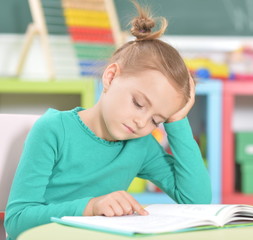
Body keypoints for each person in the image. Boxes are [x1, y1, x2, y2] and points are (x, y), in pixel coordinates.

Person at [4, 1, 212, 239]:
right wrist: (90, 208)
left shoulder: (140, 146)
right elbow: (17, 221)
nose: (141, 123)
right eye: (138, 104)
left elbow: (196, 200)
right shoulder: (53, 130)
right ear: (111, 77)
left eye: (156, 120)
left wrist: (177, 121)